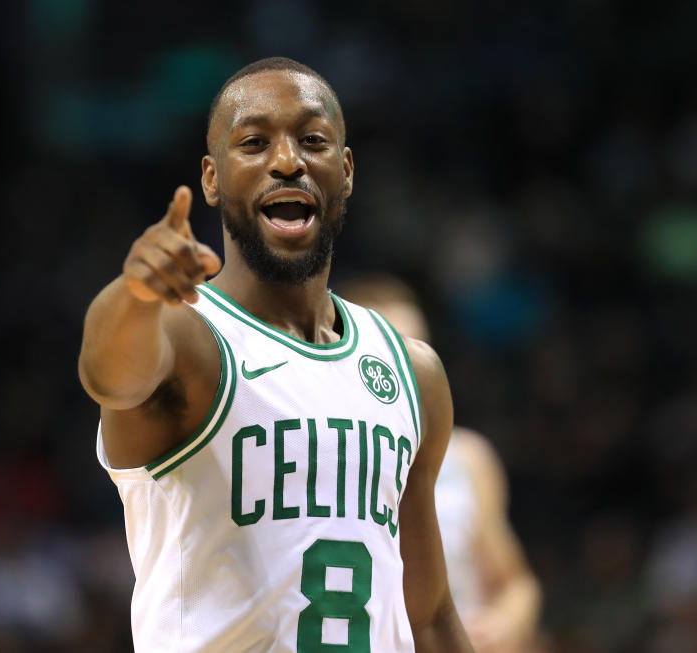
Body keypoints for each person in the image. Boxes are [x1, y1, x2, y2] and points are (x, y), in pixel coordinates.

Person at [78, 57, 472, 652]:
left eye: (312, 140)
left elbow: (430, 613)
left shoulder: (412, 373)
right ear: (212, 179)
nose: (287, 161)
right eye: (255, 143)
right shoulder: (192, 341)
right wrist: (132, 295)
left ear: (344, 170)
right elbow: (108, 375)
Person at [336, 276, 542, 653]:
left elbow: (515, 584)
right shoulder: (315, 455)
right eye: (392, 352)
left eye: (418, 349)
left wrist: (503, 625)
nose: (411, 367)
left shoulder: (468, 456)